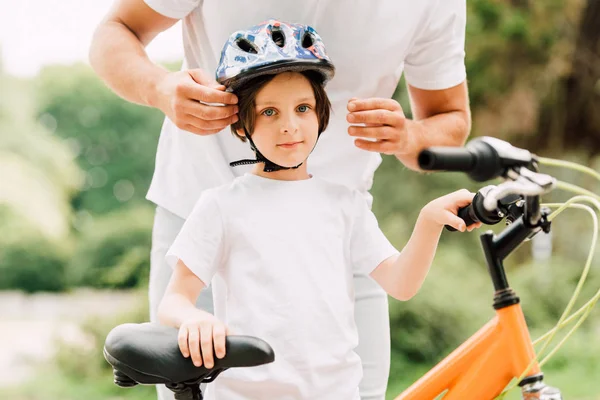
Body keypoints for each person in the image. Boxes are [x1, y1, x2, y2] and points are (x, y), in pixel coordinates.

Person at [89, 1, 471, 399]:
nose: (289, 125)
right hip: (198, 201)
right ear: (244, 124)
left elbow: (450, 119)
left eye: (303, 109)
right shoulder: (219, 208)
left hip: (340, 245)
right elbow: (116, 29)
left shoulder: (346, 210)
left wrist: (411, 140)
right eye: (269, 112)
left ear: (321, 115)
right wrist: (160, 88)